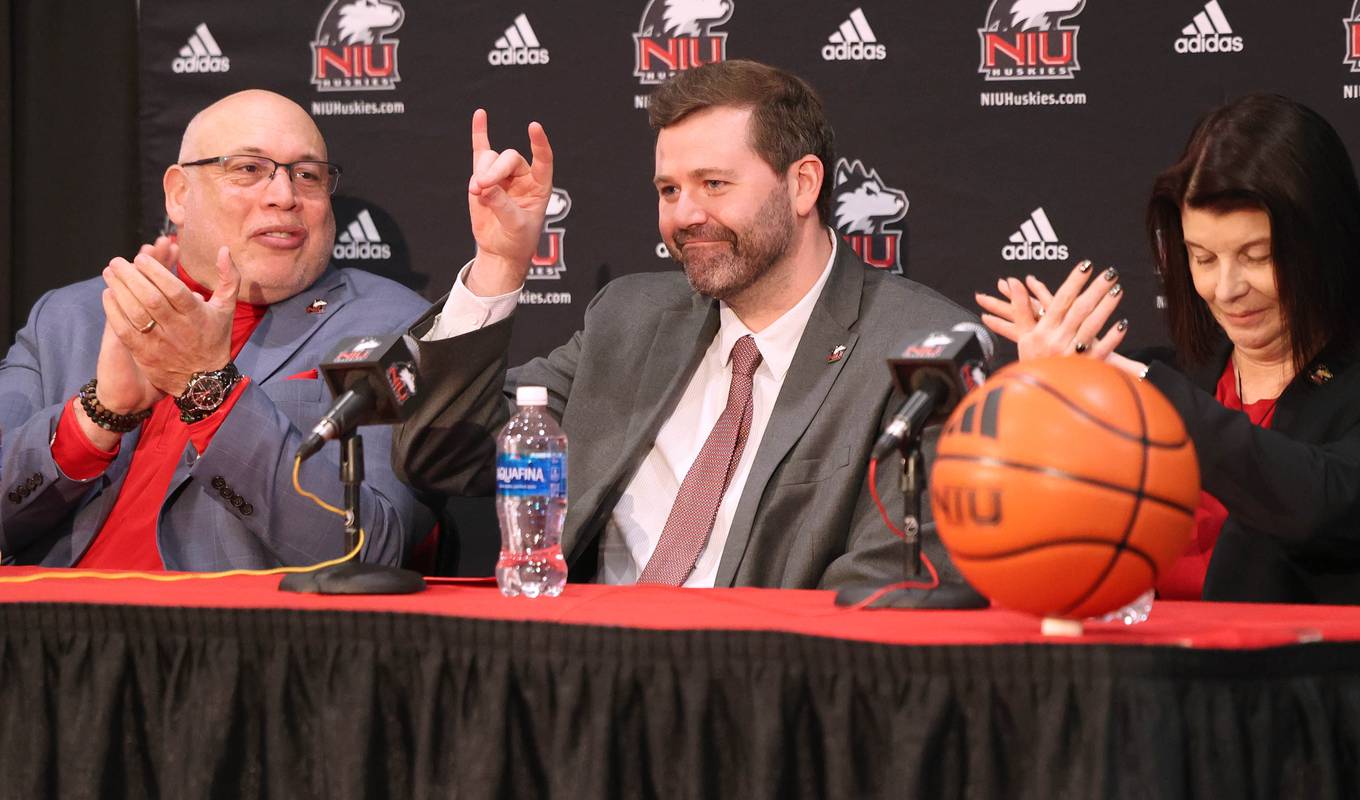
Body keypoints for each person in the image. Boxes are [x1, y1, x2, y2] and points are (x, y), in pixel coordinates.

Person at [393, 60, 979, 589]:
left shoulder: (917, 351)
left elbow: (891, 585)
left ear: (803, 185)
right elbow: (445, 455)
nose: (685, 215)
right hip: (582, 670)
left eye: (714, 184)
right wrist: (500, 260)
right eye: (669, 189)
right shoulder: (628, 318)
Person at [976, 93, 1360, 606]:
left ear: (1326, 247)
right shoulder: (1174, 379)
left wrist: (1139, 388)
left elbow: (1319, 503)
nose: (1226, 288)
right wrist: (1045, 413)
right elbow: (1042, 561)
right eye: (1203, 257)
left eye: (1257, 256)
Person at [0, 89, 434, 570]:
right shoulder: (69, 318)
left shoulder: (390, 325)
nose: (284, 196)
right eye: (249, 169)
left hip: (219, 635)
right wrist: (97, 417)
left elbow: (367, 550)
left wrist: (210, 390)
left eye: (307, 176)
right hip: (43, 630)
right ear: (179, 194)